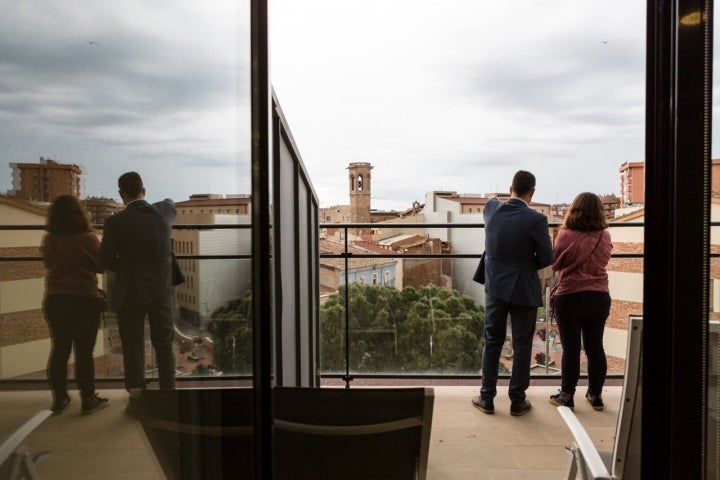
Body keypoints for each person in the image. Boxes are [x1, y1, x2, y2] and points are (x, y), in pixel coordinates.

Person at [471, 170, 554, 416]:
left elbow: (492, 200)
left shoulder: (490, 210)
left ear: (510, 189)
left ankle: (486, 397)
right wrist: (526, 265)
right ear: (533, 192)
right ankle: (517, 401)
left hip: (495, 287)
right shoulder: (536, 220)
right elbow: (547, 258)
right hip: (524, 289)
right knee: (521, 345)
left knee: (493, 341)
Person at [99, 172, 178, 412]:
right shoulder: (163, 212)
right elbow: (170, 203)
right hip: (160, 290)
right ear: (144, 189)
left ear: (121, 195)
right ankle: (168, 398)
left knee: (133, 346)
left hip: (130, 291)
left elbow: (105, 260)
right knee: (164, 343)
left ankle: (137, 401)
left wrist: (126, 265)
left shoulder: (114, 222)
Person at [42, 195, 109, 415]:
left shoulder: (49, 239)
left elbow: (49, 264)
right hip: (84, 299)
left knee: (60, 350)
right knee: (84, 352)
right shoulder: (89, 238)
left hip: (56, 299)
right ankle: (88, 398)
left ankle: (60, 398)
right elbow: (102, 267)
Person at [548, 192, 612, 411]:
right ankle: (595, 394)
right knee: (596, 347)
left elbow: (555, 264)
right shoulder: (605, 236)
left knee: (571, 349)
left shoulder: (566, 235)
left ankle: (567, 396)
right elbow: (605, 258)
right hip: (599, 295)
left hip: (570, 296)